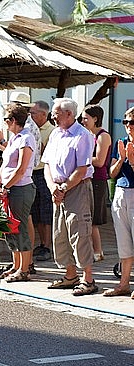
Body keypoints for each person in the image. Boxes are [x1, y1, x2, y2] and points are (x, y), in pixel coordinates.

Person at [43, 98, 97, 296]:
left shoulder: (83, 135)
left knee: (79, 232)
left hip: (76, 188)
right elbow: (47, 163)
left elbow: (82, 169)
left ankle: (88, 279)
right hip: (57, 189)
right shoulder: (56, 134)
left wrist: (63, 188)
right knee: (60, 233)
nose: (53, 116)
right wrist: (53, 188)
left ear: (69, 114)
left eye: (56, 113)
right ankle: (70, 275)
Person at [0, 104, 36, 282]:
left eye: (5, 120)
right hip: (10, 188)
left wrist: (6, 186)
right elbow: (5, 164)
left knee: (21, 228)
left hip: (21, 188)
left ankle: (24, 269)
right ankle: (16, 265)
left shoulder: (26, 138)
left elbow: (21, 168)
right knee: (10, 228)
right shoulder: (14, 138)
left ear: (12, 121)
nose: (4, 123)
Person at [103, 107, 134, 298]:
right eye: (125, 122)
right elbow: (112, 173)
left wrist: (132, 161)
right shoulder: (120, 143)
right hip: (121, 192)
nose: (128, 126)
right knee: (123, 241)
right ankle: (124, 284)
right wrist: (122, 158)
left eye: (132, 122)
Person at [80, 104, 111, 263]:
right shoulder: (88, 135)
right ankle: (92, 250)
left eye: (86, 118)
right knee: (87, 217)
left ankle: (98, 251)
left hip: (98, 180)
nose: (83, 121)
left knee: (93, 219)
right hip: (87, 178)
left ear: (96, 119)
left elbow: (99, 161)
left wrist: (79, 159)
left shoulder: (103, 136)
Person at [29, 100, 54, 262]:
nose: (31, 116)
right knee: (35, 211)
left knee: (46, 211)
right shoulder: (30, 129)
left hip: (44, 173)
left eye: (33, 113)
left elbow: (47, 154)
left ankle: (47, 245)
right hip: (32, 172)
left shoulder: (52, 131)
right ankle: (41, 243)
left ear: (44, 115)